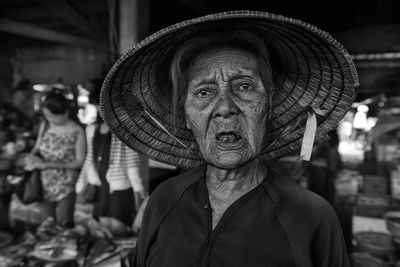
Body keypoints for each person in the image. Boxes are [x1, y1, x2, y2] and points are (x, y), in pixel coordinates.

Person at [100, 11, 358, 267]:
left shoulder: (312, 217)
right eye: (204, 92)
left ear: (269, 103)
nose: (225, 107)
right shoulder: (164, 199)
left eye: (244, 86)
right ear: (187, 116)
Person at [76, 85, 149, 236]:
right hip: (99, 184)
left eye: (102, 105)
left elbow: (131, 161)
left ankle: (120, 258)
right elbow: (90, 158)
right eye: (97, 105)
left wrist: (138, 187)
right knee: (104, 227)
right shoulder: (91, 129)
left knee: (118, 227)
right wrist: (81, 183)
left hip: (119, 186)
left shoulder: (123, 129)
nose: (99, 109)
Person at [26, 92, 86, 227]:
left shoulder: (77, 131)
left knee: (65, 223)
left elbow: (80, 161)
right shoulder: (45, 125)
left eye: (53, 116)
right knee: (47, 224)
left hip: (66, 184)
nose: (50, 119)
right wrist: (31, 157)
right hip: (43, 183)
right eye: (47, 116)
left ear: (65, 113)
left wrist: (50, 164)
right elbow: (36, 149)